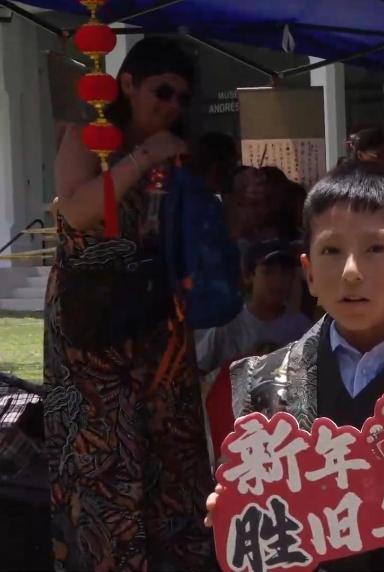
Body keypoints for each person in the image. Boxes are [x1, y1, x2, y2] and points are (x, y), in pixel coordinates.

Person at [204, 161, 384, 570]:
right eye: (331, 251)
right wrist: (232, 508)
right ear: (309, 273)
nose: (350, 272)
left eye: (375, 249)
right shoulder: (262, 382)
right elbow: (248, 492)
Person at [44, 37, 215, 570]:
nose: (172, 106)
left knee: (172, 445)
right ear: (128, 85)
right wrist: (144, 158)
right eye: (162, 92)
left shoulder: (177, 154)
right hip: (93, 328)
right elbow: (77, 211)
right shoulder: (88, 138)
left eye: (182, 98)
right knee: (103, 453)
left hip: (156, 320)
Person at [195, 240, 313, 373]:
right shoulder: (228, 325)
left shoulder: (302, 329)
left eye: (285, 273)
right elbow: (197, 371)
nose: (278, 280)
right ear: (249, 276)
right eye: (268, 272)